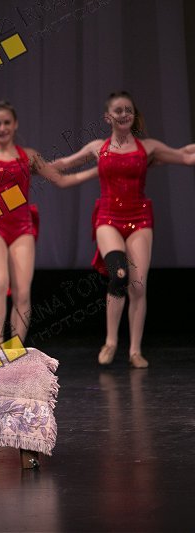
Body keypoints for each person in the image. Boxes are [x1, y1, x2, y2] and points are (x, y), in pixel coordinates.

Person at [49, 91, 195, 368]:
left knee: (138, 285)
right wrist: (35, 167)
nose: (124, 114)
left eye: (128, 109)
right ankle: (111, 341)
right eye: (118, 110)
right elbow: (65, 164)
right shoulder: (97, 147)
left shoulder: (148, 147)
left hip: (140, 219)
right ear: (108, 117)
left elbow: (185, 157)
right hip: (108, 218)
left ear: (133, 114)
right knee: (119, 274)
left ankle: (135, 351)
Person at [0, 101, 95, 351]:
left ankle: (15, 348)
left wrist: (97, 172)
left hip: (21, 225)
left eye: (7, 122)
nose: (2, 128)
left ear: (15, 124)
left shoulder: (28, 156)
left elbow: (61, 180)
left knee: (22, 292)